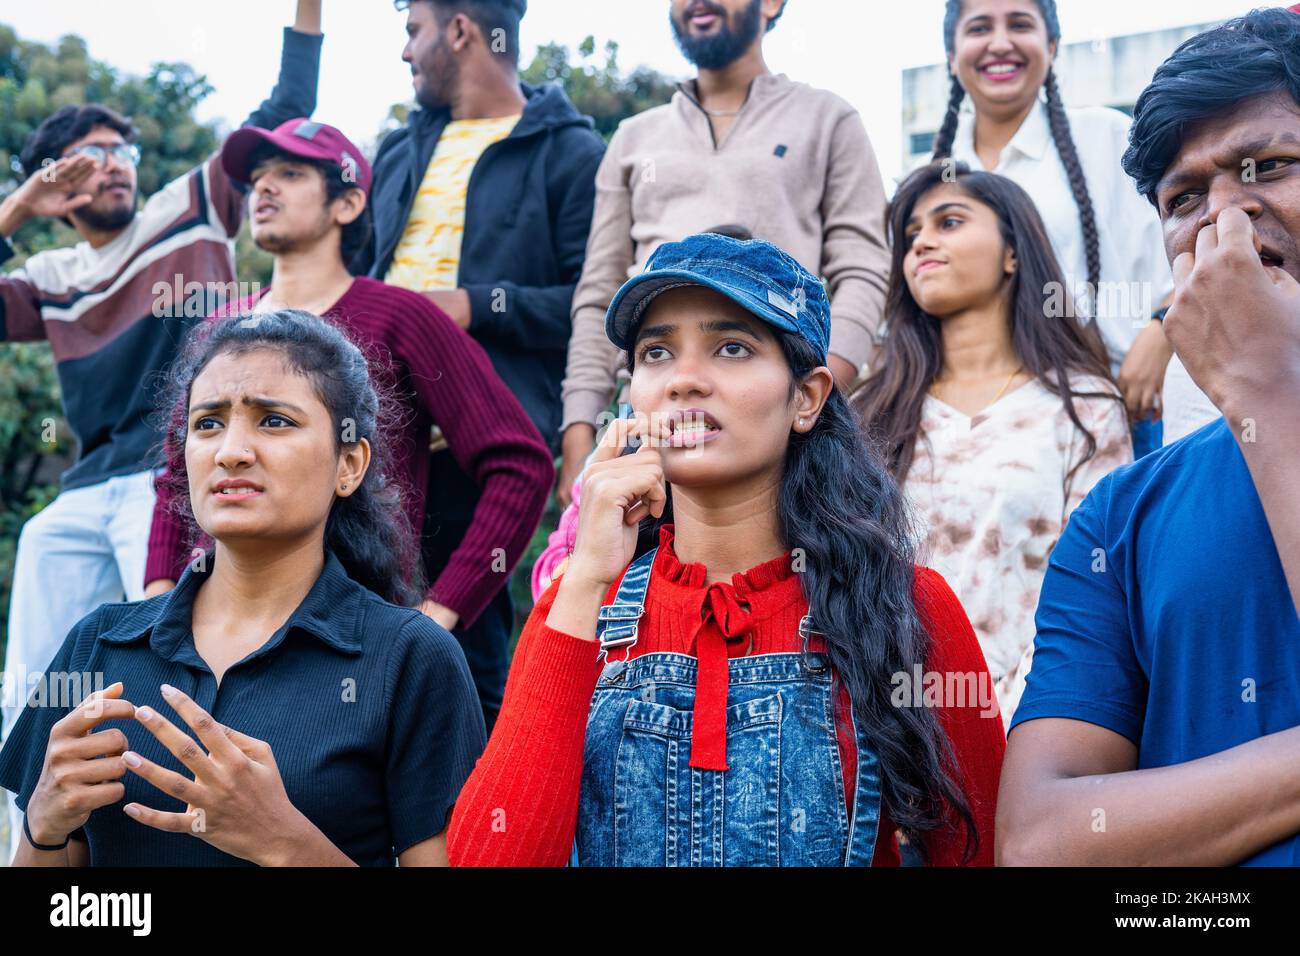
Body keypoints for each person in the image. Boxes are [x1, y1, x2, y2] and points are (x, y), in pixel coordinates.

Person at [448, 233, 1005, 867]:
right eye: (657, 352)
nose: (684, 379)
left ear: (806, 397)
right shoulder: (578, 606)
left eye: (731, 347)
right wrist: (582, 583)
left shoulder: (908, 607)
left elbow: (981, 853)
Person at [0, 0, 323, 862]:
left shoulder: (190, 209)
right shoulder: (49, 274)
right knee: (32, 685)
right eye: (89, 156)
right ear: (52, 179)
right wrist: (17, 210)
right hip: (82, 488)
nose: (113, 167)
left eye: (121, 152)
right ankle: (35, 843)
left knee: (160, 656)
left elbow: (287, 105)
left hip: (176, 474)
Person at [0, 309, 487, 866]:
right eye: (207, 423)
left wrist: (284, 841)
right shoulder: (98, 643)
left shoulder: (411, 659)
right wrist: (43, 828)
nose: (231, 450)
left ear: (348, 463)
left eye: (274, 421)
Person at [997, 9, 1300, 866]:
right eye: (1183, 199)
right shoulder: (1120, 515)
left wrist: (1267, 388)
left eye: (1268, 167)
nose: (1223, 222)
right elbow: (1041, 840)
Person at [139, 120, 553, 731]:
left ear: (349, 200)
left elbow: (520, 463)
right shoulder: (220, 329)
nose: (264, 190)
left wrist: (441, 612)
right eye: (256, 179)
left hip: (356, 646)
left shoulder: (402, 316)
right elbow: (175, 473)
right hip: (212, 641)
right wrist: (157, 599)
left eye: (290, 173)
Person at [359, 0, 606, 720]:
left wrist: (477, 304)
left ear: (461, 31)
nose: (407, 53)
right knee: (357, 648)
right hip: (371, 447)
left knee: (467, 660)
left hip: (479, 451)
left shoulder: (570, 152)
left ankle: (480, 827)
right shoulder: (398, 153)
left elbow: (591, 304)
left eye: (414, 32)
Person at [557, 0, 892, 507]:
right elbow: (599, 292)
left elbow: (864, 268)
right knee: (634, 580)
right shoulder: (633, 138)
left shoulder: (828, 119)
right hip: (652, 435)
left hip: (782, 431)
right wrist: (581, 427)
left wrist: (805, 401)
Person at [853, 163, 1130, 727]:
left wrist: (1007, 732)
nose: (923, 241)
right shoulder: (869, 410)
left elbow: (1093, 597)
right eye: (910, 237)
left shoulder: (1084, 407)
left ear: (1012, 252)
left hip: (1028, 722)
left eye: (949, 221)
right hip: (873, 731)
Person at [931, 0, 1204, 456]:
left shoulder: (1106, 137)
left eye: (1020, 24)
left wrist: (1158, 333)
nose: (1000, 43)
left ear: (1052, 45)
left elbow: (1189, 252)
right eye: (979, 28)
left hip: (1118, 410)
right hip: (978, 422)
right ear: (951, 55)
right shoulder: (933, 173)